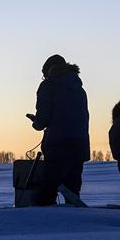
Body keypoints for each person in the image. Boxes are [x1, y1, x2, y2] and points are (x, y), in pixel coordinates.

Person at [26, 54, 90, 206]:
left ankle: (45, 218)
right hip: (79, 144)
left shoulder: (48, 86)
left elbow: (43, 119)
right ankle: (75, 217)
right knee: (72, 191)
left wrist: (36, 123)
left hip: (58, 144)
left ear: (48, 71)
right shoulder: (79, 89)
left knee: (47, 190)